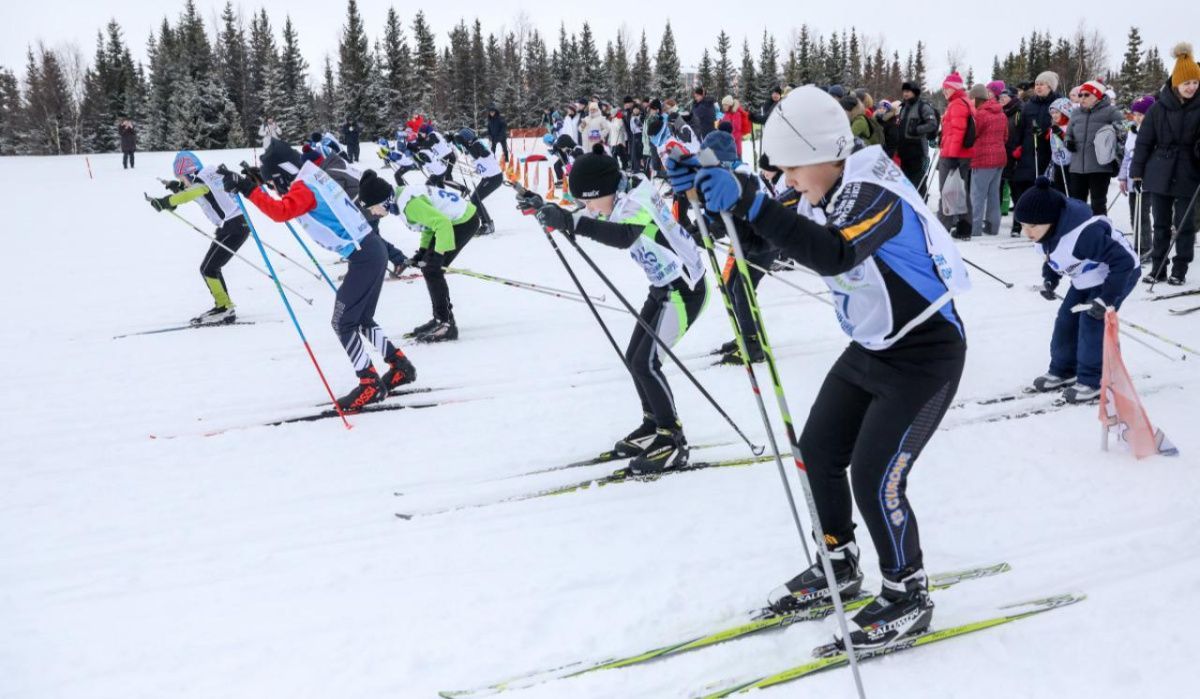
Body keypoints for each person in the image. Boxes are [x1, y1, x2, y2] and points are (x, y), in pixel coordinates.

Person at [693, 85, 969, 650]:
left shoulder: (875, 190)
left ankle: (907, 593)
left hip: (925, 352)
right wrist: (711, 198)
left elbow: (834, 252)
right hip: (872, 347)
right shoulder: (820, 189)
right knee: (817, 451)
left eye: (792, 169)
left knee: (875, 475)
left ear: (825, 153)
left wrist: (752, 202)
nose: (788, 180)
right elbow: (762, 244)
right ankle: (838, 562)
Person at [526, 147, 708, 474]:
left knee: (647, 361)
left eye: (590, 200)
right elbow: (591, 214)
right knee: (634, 356)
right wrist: (550, 209)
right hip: (663, 287)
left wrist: (569, 220)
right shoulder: (619, 190)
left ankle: (671, 438)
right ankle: (653, 424)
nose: (589, 208)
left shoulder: (635, 200)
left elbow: (624, 236)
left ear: (604, 190)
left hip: (684, 290)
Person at [221, 140, 416, 411]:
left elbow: (282, 211)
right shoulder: (311, 174)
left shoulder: (304, 188)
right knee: (360, 319)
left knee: (342, 322)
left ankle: (369, 383)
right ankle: (399, 366)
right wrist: (259, 184)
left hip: (364, 256)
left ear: (282, 175)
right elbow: (288, 196)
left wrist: (249, 189)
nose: (276, 189)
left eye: (274, 183)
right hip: (370, 250)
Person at [1017, 178, 1138, 403]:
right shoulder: (1046, 234)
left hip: (1118, 274)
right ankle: (1064, 370)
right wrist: (1050, 280)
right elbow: (1053, 259)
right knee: (1066, 320)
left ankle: (1093, 381)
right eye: (1023, 225)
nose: (1027, 232)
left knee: (1091, 322)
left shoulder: (1084, 235)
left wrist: (1106, 299)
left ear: (1051, 220)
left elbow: (1124, 263)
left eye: (1032, 226)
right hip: (1084, 277)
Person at [147, 151, 251, 325]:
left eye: (181, 177)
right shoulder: (208, 175)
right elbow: (201, 195)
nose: (182, 181)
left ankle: (225, 308)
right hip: (232, 226)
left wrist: (166, 202)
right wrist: (177, 188)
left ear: (189, 171)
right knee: (209, 268)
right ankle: (223, 306)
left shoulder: (202, 180)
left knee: (209, 268)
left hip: (233, 227)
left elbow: (191, 194)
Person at [1131, 42, 1200, 285]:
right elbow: (1144, 143)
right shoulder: (1157, 108)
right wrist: (1136, 172)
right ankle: (1158, 267)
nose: (1191, 87)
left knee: (1184, 225)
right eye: (1187, 83)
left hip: (1189, 173)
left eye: (1195, 82)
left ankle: (1179, 270)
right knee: (1160, 222)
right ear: (1175, 83)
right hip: (1159, 171)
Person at [393, 179, 482, 342]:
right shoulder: (401, 198)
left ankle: (445, 324)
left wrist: (438, 254)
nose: (373, 212)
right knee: (429, 267)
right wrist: (423, 251)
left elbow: (442, 223)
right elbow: (429, 224)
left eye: (372, 207)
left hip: (463, 221)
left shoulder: (409, 205)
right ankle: (441, 319)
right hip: (455, 221)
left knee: (432, 269)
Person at [1065, 80, 1126, 216]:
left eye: (1086, 95)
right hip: (1076, 167)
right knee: (1076, 204)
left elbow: (1123, 134)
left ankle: (1100, 232)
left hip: (1100, 167)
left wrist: (1114, 151)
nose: (1082, 98)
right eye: (1080, 95)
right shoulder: (1075, 113)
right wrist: (1068, 141)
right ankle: (1078, 232)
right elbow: (1068, 134)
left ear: (1097, 96)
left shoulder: (1111, 112)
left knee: (1098, 204)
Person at [1010, 71, 1064, 215]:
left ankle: (1046, 215)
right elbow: (1020, 128)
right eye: (1037, 84)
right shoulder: (1029, 105)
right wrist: (1017, 146)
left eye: (1042, 84)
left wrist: (1047, 132)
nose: (1038, 87)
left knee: (1047, 185)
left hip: (1049, 152)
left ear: (1050, 87)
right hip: (1029, 150)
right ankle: (1021, 219)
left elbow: (1064, 126)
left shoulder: (1059, 103)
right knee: (1022, 183)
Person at [937, 72, 977, 239]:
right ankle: (964, 226)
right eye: (944, 88)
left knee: (947, 191)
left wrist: (951, 157)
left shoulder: (957, 105)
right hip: (962, 155)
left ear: (954, 89)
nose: (945, 91)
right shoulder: (963, 102)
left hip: (954, 156)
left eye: (947, 88)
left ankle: (942, 227)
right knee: (960, 191)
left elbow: (958, 133)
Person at [1118, 95, 1156, 256]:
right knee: (1135, 214)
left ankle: (1146, 247)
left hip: (1146, 180)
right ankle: (1138, 244)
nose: (1138, 117)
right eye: (1136, 114)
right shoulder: (1133, 132)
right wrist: (1122, 178)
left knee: (1143, 215)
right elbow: (1127, 156)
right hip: (1132, 179)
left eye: (1142, 114)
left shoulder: (1155, 132)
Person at [969, 83, 1008, 237]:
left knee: (977, 195)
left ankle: (975, 228)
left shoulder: (981, 114)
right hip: (1000, 158)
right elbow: (1005, 136)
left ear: (977, 98)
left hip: (983, 158)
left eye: (972, 98)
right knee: (993, 194)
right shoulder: (1001, 113)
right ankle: (993, 227)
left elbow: (974, 134)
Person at [452, 127, 502, 236]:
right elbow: (465, 151)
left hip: (493, 178)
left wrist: (464, 143)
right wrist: (454, 141)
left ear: (467, 138)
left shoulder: (478, 144)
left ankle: (487, 225)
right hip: (489, 177)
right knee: (475, 199)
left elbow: (480, 153)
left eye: (463, 140)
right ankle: (487, 224)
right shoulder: (472, 145)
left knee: (475, 200)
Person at [897, 81, 939, 198]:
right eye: (904, 91)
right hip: (904, 151)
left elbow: (932, 124)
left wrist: (917, 129)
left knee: (918, 182)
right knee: (905, 182)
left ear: (915, 92)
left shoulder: (922, 107)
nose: (905, 94)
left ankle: (921, 206)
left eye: (908, 91)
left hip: (918, 151)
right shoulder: (903, 107)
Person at [999, 87, 1023, 229]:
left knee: (1016, 191)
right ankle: (994, 221)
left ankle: (1017, 224)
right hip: (1001, 155)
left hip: (1015, 156)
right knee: (998, 189)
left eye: (1005, 96)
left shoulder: (1020, 111)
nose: (1001, 98)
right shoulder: (1000, 111)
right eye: (1000, 96)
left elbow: (1023, 131)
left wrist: (1020, 148)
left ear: (1013, 97)